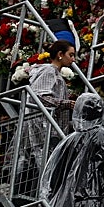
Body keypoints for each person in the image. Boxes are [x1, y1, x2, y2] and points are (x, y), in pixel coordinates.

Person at [23, 40, 77, 176]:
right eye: (71, 55)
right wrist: (66, 104)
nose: (73, 59)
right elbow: (40, 96)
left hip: (50, 129)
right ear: (60, 54)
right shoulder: (49, 71)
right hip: (45, 129)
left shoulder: (55, 73)